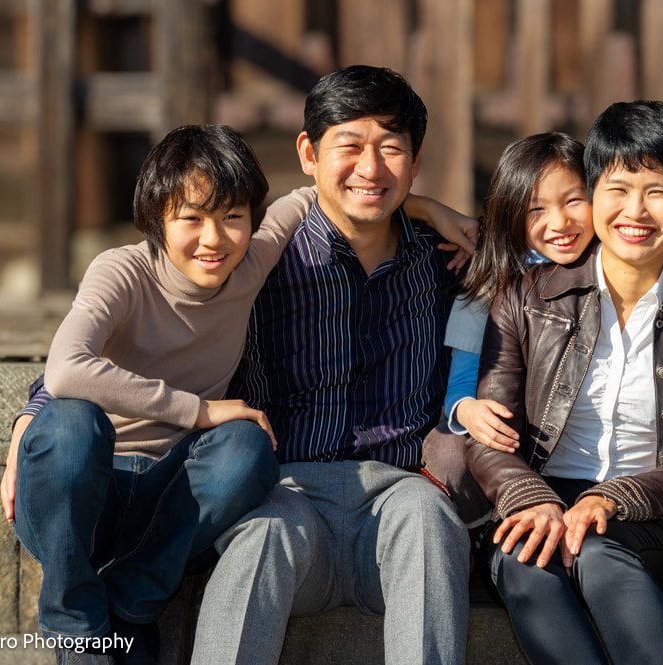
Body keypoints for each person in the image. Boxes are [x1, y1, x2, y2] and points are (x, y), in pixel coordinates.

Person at [187, 65, 472, 665]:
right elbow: (146, 323)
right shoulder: (260, 258)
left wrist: (435, 214)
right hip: (288, 494)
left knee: (428, 518)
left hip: (397, 498)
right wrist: (42, 403)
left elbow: (552, 265)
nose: (371, 168)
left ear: (415, 162)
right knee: (261, 535)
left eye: (391, 149)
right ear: (308, 154)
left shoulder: (443, 259)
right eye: (350, 146)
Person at [0, 124, 316, 664]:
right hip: (82, 492)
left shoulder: (251, 263)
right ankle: (76, 622)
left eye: (232, 217)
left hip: (170, 502)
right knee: (72, 423)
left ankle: (128, 603)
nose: (214, 239)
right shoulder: (122, 270)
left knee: (248, 444)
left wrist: (431, 211)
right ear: (156, 219)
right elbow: (65, 371)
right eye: (191, 218)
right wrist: (199, 410)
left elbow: (319, 193)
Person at [456, 101, 663, 665]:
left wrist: (612, 498)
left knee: (596, 550)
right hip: (541, 498)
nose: (635, 211)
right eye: (618, 190)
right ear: (594, 193)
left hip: (657, 520)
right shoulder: (525, 298)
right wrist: (530, 495)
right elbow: (490, 436)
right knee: (524, 560)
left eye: (657, 192)